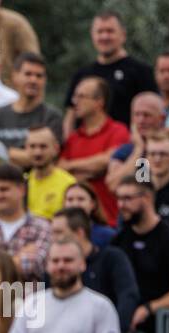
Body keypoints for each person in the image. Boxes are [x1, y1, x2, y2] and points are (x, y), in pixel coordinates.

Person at [111, 179, 169, 333]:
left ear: (147, 198)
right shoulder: (119, 240)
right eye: (119, 199)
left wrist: (149, 308)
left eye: (127, 198)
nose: (121, 205)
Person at [51, 206, 139, 333]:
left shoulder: (112, 258)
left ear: (79, 233)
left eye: (58, 232)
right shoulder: (55, 265)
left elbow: (128, 296)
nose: (53, 238)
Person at [63, 11, 156, 127]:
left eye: (110, 31)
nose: (104, 36)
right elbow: (70, 115)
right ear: (92, 35)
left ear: (123, 35)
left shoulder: (142, 72)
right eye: (100, 31)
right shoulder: (82, 75)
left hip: (126, 142)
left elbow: (152, 112)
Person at [60, 76, 131, 226]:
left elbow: (108, 160)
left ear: (99, 102)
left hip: (110, 221)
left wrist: (73, 166)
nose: (75, 102)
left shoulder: (118, 131)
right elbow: (61, 167)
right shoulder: (74, 137)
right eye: (75, 96)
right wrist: (95, 169)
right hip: (77, 224)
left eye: (81, 96)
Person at [0, 52, 62, 166]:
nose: (33, 80)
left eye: (39, 76)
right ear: (15, 76)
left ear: (45, 80)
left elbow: (49, 158)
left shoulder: (52, 116)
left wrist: (4, 152)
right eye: (28, 74)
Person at [24, 126, 76, 219]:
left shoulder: (68, 184)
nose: (37, 152)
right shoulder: (21, 182)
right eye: (32, 146)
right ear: (26, 148)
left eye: (43, 146)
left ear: (56, 149)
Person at [63, 179, 118, 248]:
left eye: (81, 199)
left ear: (93, 204)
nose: (75, 204)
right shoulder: (56, 233)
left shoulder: (108, 235)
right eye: (70, 199)